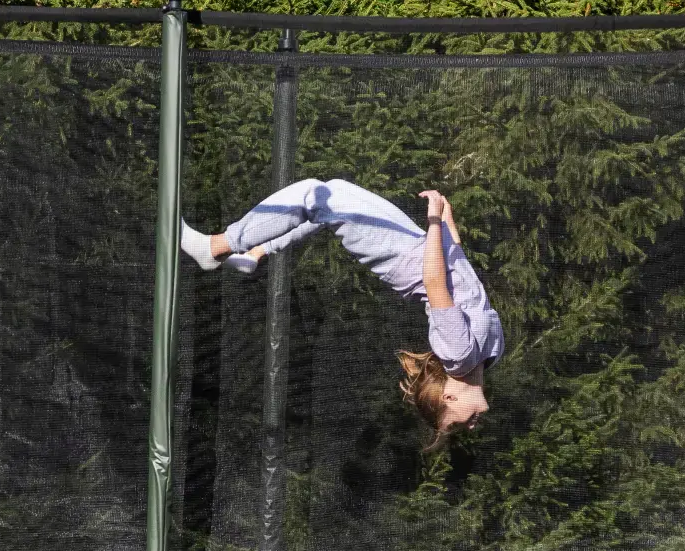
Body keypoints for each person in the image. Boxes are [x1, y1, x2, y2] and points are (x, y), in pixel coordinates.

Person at [181, 179, 502, 446]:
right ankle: (255, 253)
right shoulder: (491, 353)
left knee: (317, 195)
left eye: (458, 425)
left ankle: (215, 247)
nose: (471, 426)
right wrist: (446, 222)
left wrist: (433, 221)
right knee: (324, 200)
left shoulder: (459, 356)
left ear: (449, 399)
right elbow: (462, 274)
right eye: (459, 426)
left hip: (398, 254)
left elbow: (435, 282)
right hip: (415, 245)